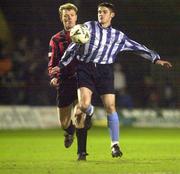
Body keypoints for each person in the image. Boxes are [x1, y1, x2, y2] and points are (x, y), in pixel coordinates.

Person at [52, 2, 172, 158]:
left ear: (112, 15)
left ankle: (115, 145)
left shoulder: (118, 36)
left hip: (105, 71)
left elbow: (137, 47)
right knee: (84, 104)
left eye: (104, 12)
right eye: (99, 12)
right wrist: (61, 65)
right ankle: (91, 111)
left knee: (110, 106)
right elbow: (73, 48)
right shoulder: (88, 27)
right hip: (85, 68)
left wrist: (156, 59)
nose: (101, 14)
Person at [48, 3, 92, 161]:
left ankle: (82, 153)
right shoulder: (56, 39)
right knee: (64, 122)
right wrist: (53, 76)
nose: (68, 18)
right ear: (61, 18)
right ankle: (69, 131)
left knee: (80, 113)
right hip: (65, 81)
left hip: (82, 79)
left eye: (71, 15)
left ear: (76, 17)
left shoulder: (86, 35)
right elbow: (52, 61)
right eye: (65, 16)